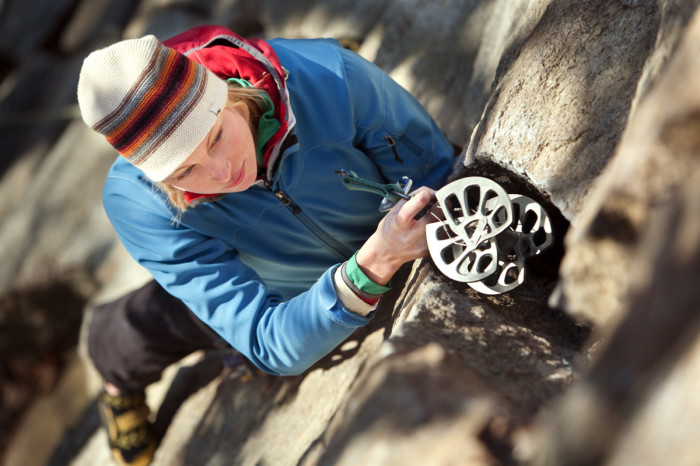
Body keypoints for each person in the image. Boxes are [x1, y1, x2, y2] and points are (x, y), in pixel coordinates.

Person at [77, 24, 455, 466]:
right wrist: (374, 264)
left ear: (226, 94)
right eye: (184, 172)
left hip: (353, 211)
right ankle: (116, 385)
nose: (220, 172)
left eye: (216, 136)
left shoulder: (328, 75)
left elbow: (437, 174)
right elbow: (265, 339)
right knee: (147, 327)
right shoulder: (140, 203)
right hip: (270, 278)